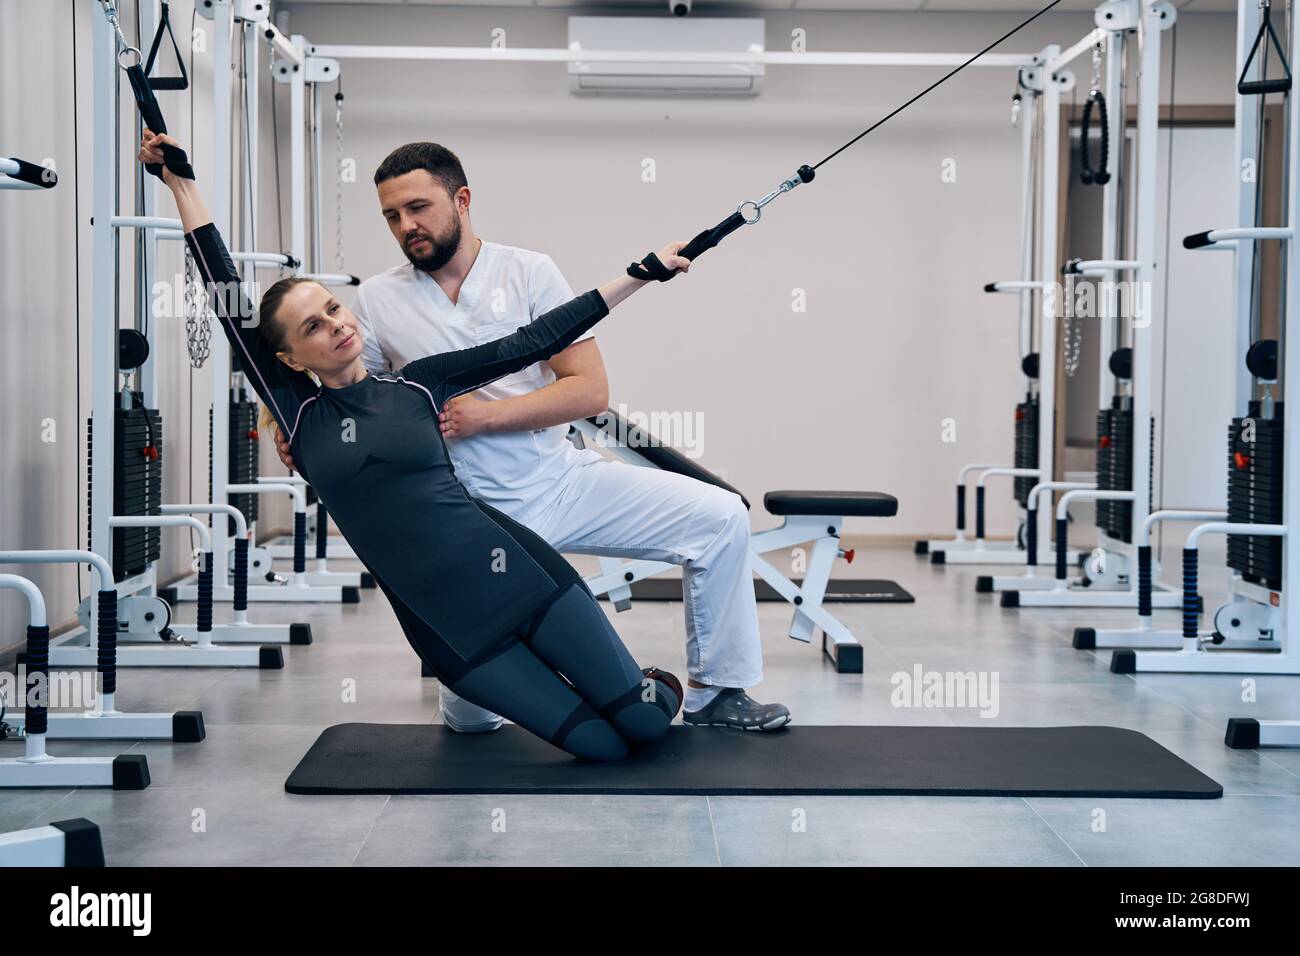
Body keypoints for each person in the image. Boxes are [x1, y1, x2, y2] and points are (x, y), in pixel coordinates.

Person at [139, 129, 689, 762]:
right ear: (288, 356)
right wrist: (181, 184)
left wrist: (641, 275)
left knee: (643, 728)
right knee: (599, 748)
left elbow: (536, 340)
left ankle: (648, 686)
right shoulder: (297, 416)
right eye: (312, 327)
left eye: (335, 310)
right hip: (453, 633)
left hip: (529, 583)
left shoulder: (419, 386)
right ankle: (602, 691)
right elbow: (224, 292)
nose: (337, 326)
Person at [274, 142, 791, 734]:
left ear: (461, 200)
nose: (405, 226)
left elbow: (588, 392)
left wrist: (487, 417)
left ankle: (718, 692)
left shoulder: (528, 271)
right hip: (471, 518)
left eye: (417, 207)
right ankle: (547, 686)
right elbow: (352, 399)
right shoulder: (379, 300)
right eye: (391, 216)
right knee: (473, 725)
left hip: (563, 481)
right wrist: (293, 435)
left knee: (720, 517)